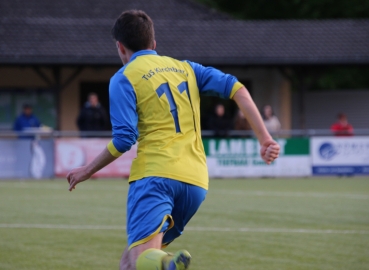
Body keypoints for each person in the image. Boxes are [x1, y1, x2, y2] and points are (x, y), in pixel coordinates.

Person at [67, 10, 280, 270]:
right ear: (154, 44)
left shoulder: (123, 78)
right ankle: (164, 263)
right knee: (131, 263)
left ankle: (169, 265)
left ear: (120, 47)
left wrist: (87, 170)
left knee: (143, 260)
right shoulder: (187, 68)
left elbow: (124, 139)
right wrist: (265, 138)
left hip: (156, 176)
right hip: (196, 183)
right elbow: (238, 89)